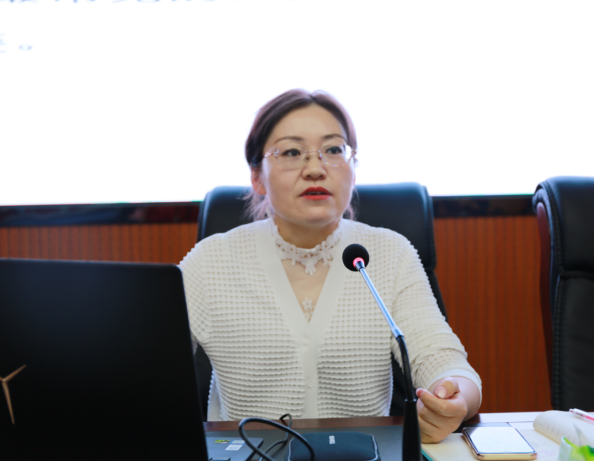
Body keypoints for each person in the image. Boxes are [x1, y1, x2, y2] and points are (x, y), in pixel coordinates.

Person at [180, 89, 481, 443]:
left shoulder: (390, 253)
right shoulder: (210, 261)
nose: (315, 169)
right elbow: (147, 370)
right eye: (292, 152)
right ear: (257, 176)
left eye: (334, 150)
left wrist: (453, 399)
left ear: (353, 168)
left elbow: (445, 361)